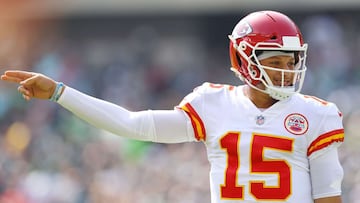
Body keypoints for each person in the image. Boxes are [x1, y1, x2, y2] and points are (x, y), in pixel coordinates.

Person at [1, 10, 344, 203]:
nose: (287, 71)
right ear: (244, 60)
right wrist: (61, 92)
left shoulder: (319, 114)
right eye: (277, 61)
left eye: (292, 61)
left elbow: (329, 196)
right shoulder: (214, 103)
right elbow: (132, 125)